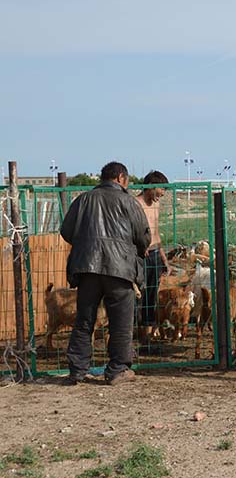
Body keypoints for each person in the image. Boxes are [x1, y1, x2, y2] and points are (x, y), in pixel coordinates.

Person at [60, 161, 151, 385]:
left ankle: (77, 371)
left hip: (87, 268)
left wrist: (85, 244)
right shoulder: (128, 201)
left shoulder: (83, 200)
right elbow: (143, 236)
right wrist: (135, 248)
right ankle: (117, 370)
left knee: (84, 320)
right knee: (121, 321)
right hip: (120, 270)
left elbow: (66, 231)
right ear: (121, 178)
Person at [134, 170, 170, 345]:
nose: (162, 194)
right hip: (140, 255)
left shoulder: (156, 205)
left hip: (155, 253)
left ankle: (147, 336)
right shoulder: (135, 204)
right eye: (160, 190)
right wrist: (139, 247)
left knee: (151, 294)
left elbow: (155, 231)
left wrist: (163, 255)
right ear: (151, 186)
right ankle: (136, 331)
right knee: (137, 293)